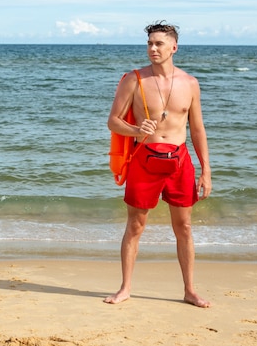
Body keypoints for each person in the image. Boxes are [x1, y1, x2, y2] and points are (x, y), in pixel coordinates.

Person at [104, 21, 212, 308]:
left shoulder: (190, 83)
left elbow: (198, 129)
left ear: (173, 47)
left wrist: (206, 171)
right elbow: (113, 121)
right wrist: (137, 130)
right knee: (136, 226)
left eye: (159, 43)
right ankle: (125, 288)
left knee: (184, 227)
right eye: (150, 43)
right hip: (144, 159)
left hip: (179, 160)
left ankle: (190, 290)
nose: (153, 48)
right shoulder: (134, 79)